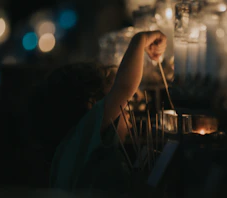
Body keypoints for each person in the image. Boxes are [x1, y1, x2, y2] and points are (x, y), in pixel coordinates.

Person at [29, 31, 167, 193]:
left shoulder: (73, 153)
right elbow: (124, 86)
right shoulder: (82, 135)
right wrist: (141, 39)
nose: (128, 110)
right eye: (118, 100)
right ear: (91, 104)